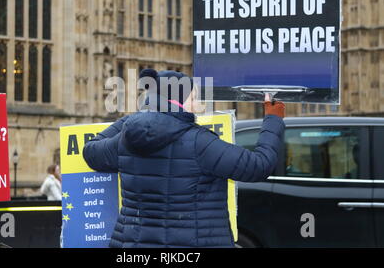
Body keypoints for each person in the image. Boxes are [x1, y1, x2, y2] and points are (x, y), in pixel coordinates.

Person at [83, 69, 285, 248]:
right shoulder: (200, 142)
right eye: (194, 97)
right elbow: (260, 165)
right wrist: (273, 119)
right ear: (178, 101)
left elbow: (90, 152)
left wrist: (136, 118)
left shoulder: (124, 140)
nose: (199, 103)